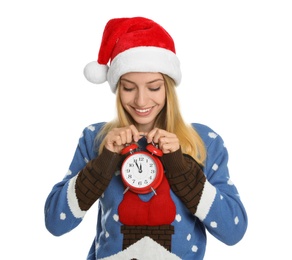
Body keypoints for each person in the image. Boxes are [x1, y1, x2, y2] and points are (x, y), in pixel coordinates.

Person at [44, 17, 248, 260]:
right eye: (129, 88)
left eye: (153, 87)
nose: (141, 101)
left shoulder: (203, 141)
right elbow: (56, 223)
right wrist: (104, 161)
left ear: (168, 88)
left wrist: (180, 169)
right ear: (117, 88)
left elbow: (233, 231)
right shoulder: (96, 138)